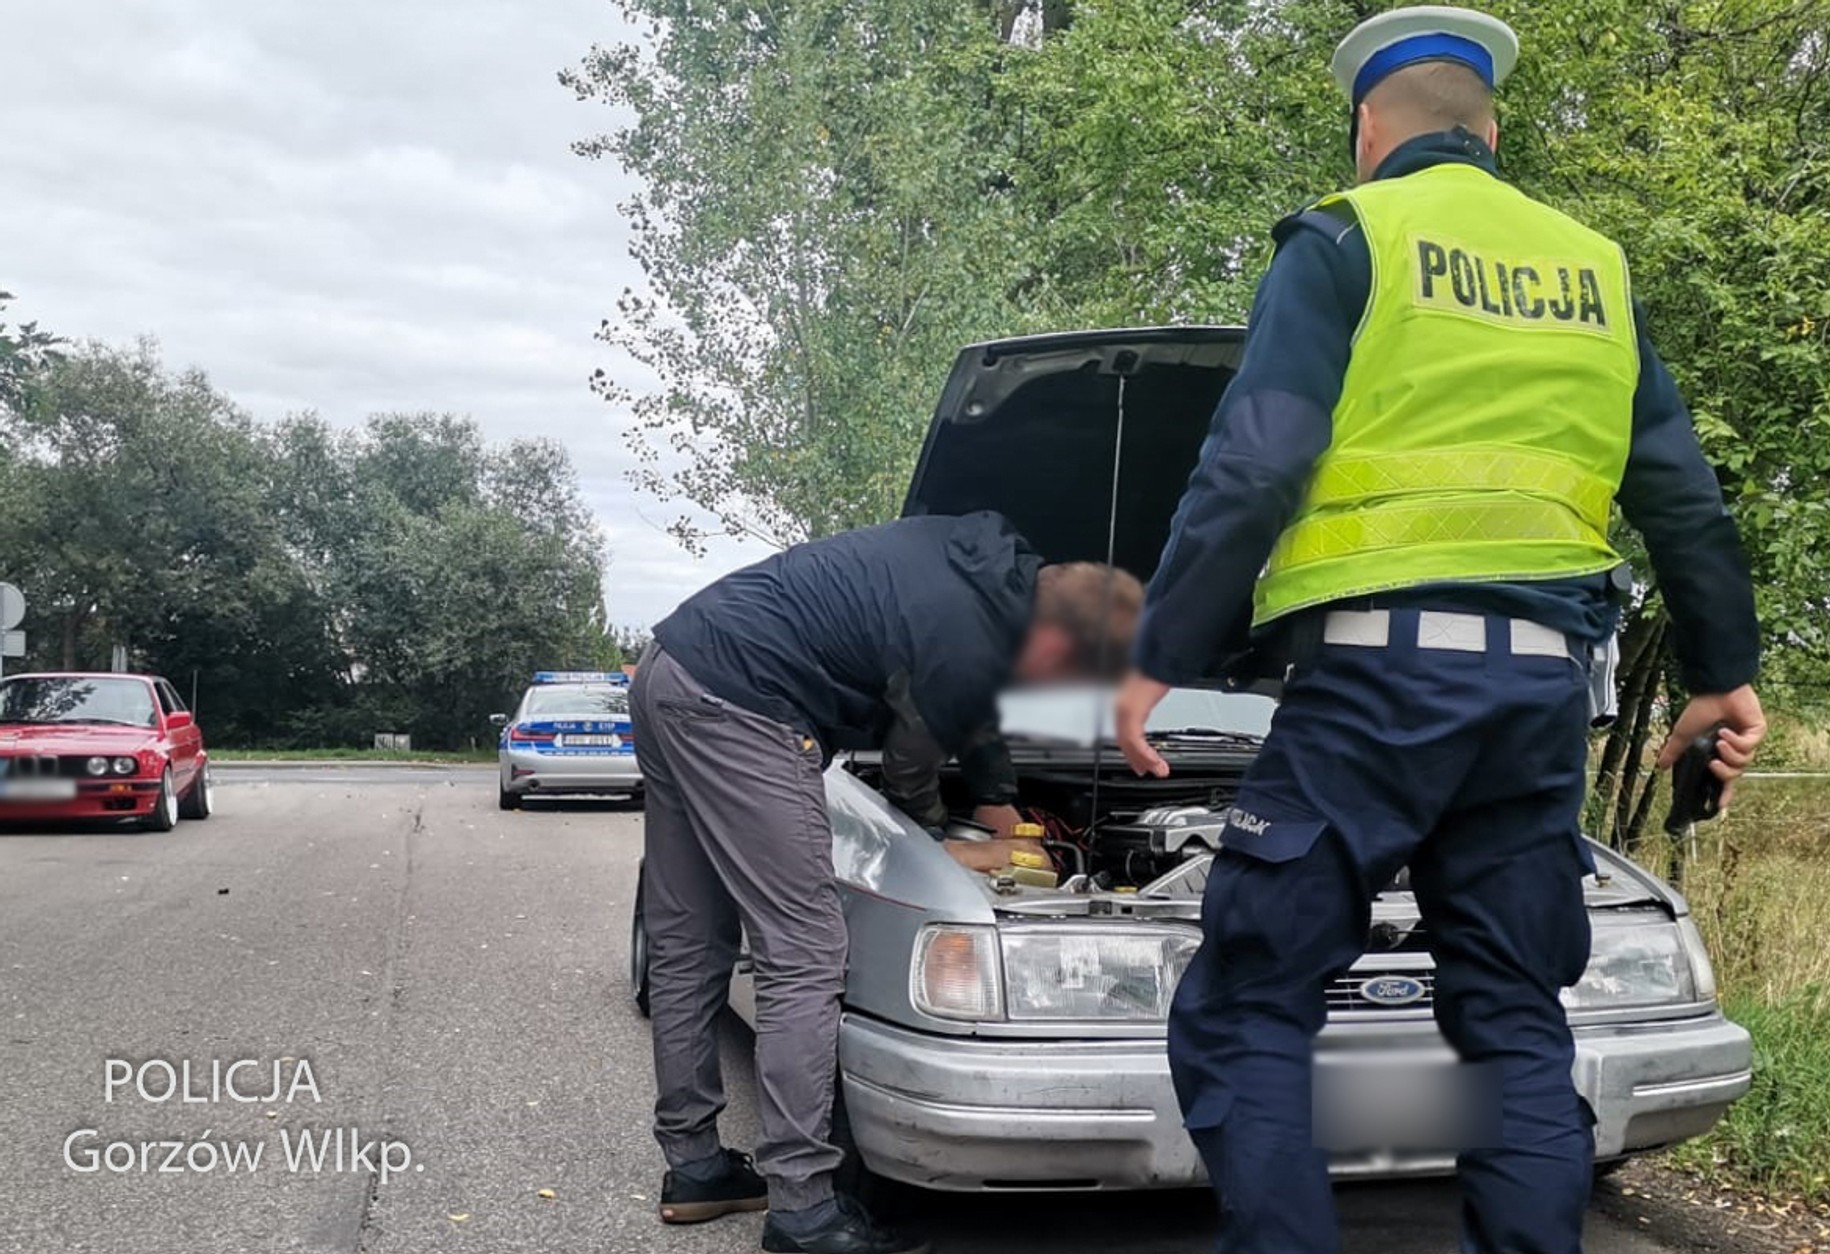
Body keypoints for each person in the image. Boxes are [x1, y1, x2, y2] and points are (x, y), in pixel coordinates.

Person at [1113, 8, 1766, 1253]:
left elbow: (1254, 463)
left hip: (1369, 684)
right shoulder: (1593, 268)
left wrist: (1157, 654)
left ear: (1367, 129)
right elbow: (1680, 493)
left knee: (1247, 1008)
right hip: (1536, 703)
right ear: (1491, 130)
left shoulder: (1348, 235)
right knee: (1512, 1019)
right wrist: (1721, 673)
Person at [630, 510, 1142, 1254]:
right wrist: (943, 842)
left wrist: (998, 799)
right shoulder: (969, 635)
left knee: (686, 943)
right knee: (803, 953)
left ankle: (697, 1169)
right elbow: (910, 769)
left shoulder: (988, 564)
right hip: (743, 704)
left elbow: (970, 694)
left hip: (671, 670)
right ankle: (804, 1210)